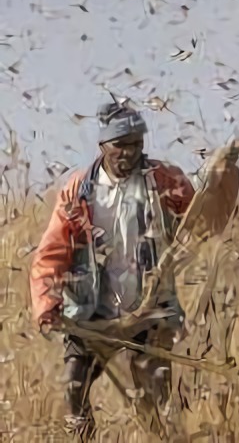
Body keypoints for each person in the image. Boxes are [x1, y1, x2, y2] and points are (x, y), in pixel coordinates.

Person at [30, 101, 197, 439]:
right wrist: (47, 304)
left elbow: (200, 216)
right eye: (120, 145)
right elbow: (53, 252)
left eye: (136, 143)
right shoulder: (79, 191)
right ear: (103, 146)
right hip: (92, 314)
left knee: (155, 403)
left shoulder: (165, 179)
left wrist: (220, 181)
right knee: (74, 391)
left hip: (148, 310)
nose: (129, 153)